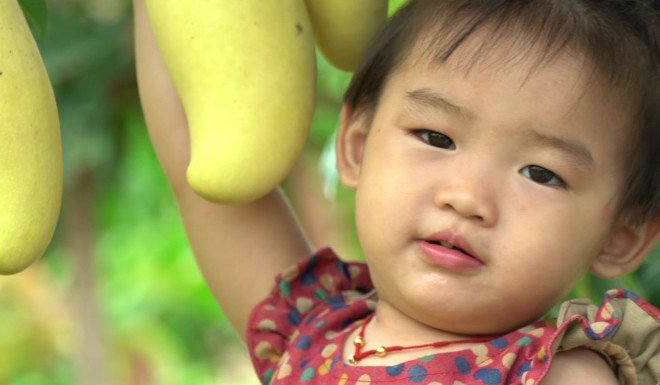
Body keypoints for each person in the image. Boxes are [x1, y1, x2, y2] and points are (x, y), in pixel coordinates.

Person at [132, 0, 660, 384]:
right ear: (358, 146)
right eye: (436, 137)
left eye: (541, 173)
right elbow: (196, 162)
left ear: (620, 236)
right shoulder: (307, 331)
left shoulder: (558, 375)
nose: (466, 197)